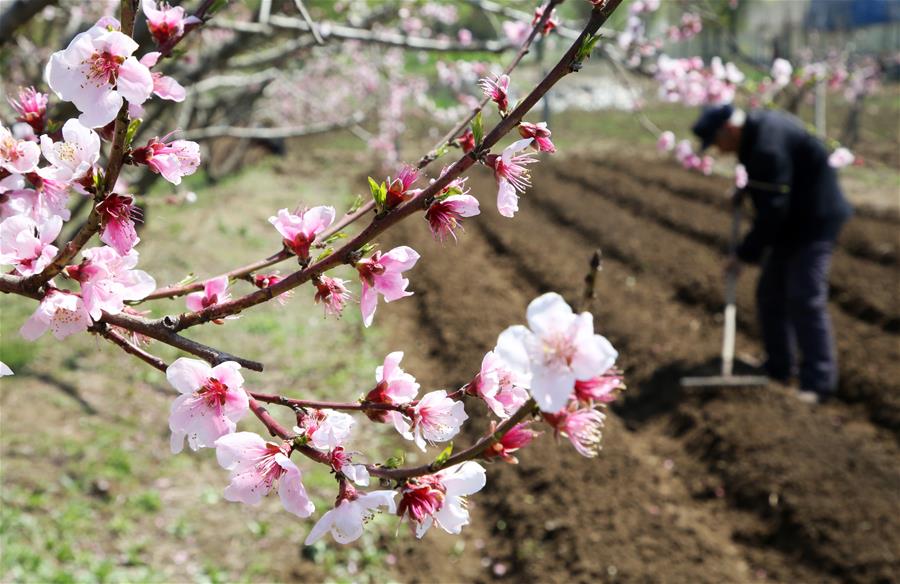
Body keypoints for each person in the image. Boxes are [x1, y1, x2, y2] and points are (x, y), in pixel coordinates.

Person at [691, 104, 853, 403]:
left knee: (805, 297)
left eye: (716, 141)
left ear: (729, 129)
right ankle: (778, 367)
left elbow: (773, 212)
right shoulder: (759, 129)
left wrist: (743, 254)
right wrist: (748, 190)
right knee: (770, 294)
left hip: (813, 220)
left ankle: (818, 382)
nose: (717, 149)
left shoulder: (766, 145)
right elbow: (775, 186)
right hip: (792, 220)